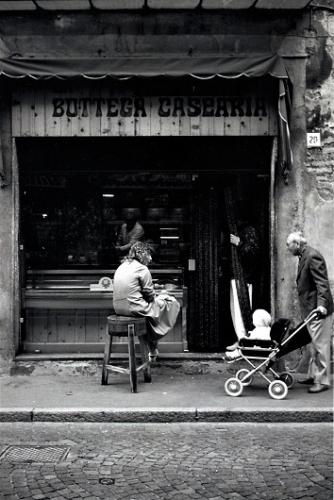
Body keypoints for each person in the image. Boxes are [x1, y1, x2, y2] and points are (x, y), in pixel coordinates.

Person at [113, 241, 180, 359]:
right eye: (148, 254)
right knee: (170, 303)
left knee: (151, 316)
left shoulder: (122, 266)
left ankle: (153, 350)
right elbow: (150, 295)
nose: (150, 258)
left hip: (119, 309)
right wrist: (162, 294)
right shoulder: (142, 268)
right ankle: (153, 346)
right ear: (140, 253)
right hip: (134, 308)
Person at [286, 231, 333, 393]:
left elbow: (322, 283)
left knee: (321, 346)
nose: (287, 248)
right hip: (310, 310)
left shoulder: (312, 256)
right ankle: (314, 376)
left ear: (297, 244)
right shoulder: (304, 256)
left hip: (318, 310)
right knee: (313, 345)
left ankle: (323, 381)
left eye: (289, 244)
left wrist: (322, 305)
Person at [227, 220, 260, 349]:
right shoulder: (242, 229)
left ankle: (243, 340)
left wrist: (239, 243)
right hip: (236, 277)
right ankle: (240, 339)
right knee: (235, 309)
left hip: (244, 278)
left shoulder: (250, 230)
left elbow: (253, 252)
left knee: (241, 309)